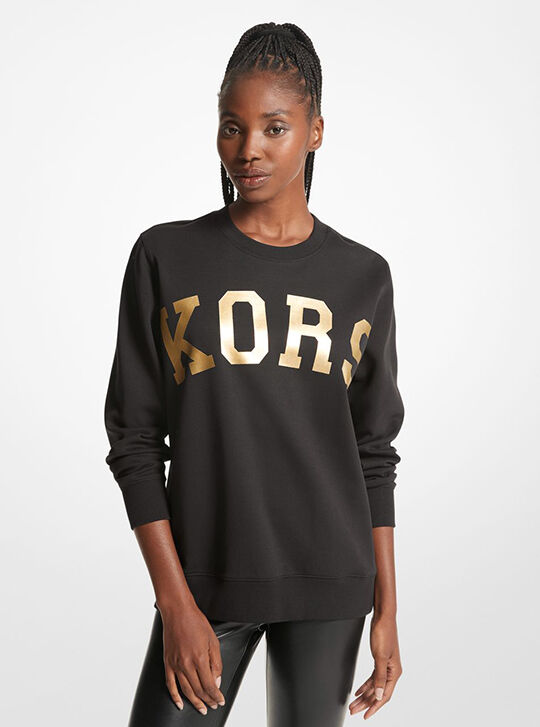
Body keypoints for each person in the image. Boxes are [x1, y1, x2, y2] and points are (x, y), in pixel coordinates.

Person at [104, 21, 405, 726]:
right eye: (232, 128)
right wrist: (176, 604)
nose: (249, 150)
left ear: (315, 131)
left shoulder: (363, 276)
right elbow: (134, 441)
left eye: (274, 127)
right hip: (206, 584)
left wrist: (388, 609)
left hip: (330, 582)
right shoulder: (165, 257)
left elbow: (373, 453)